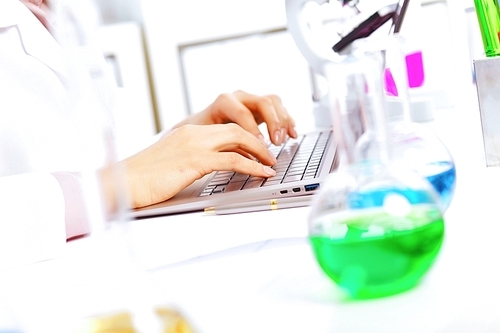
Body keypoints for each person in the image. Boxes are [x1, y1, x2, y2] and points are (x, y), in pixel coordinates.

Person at [0, 0, 297, 253]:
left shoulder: (56, 8)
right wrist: (111, 186)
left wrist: (188, 138)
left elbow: (102, 156)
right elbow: (117, 180)